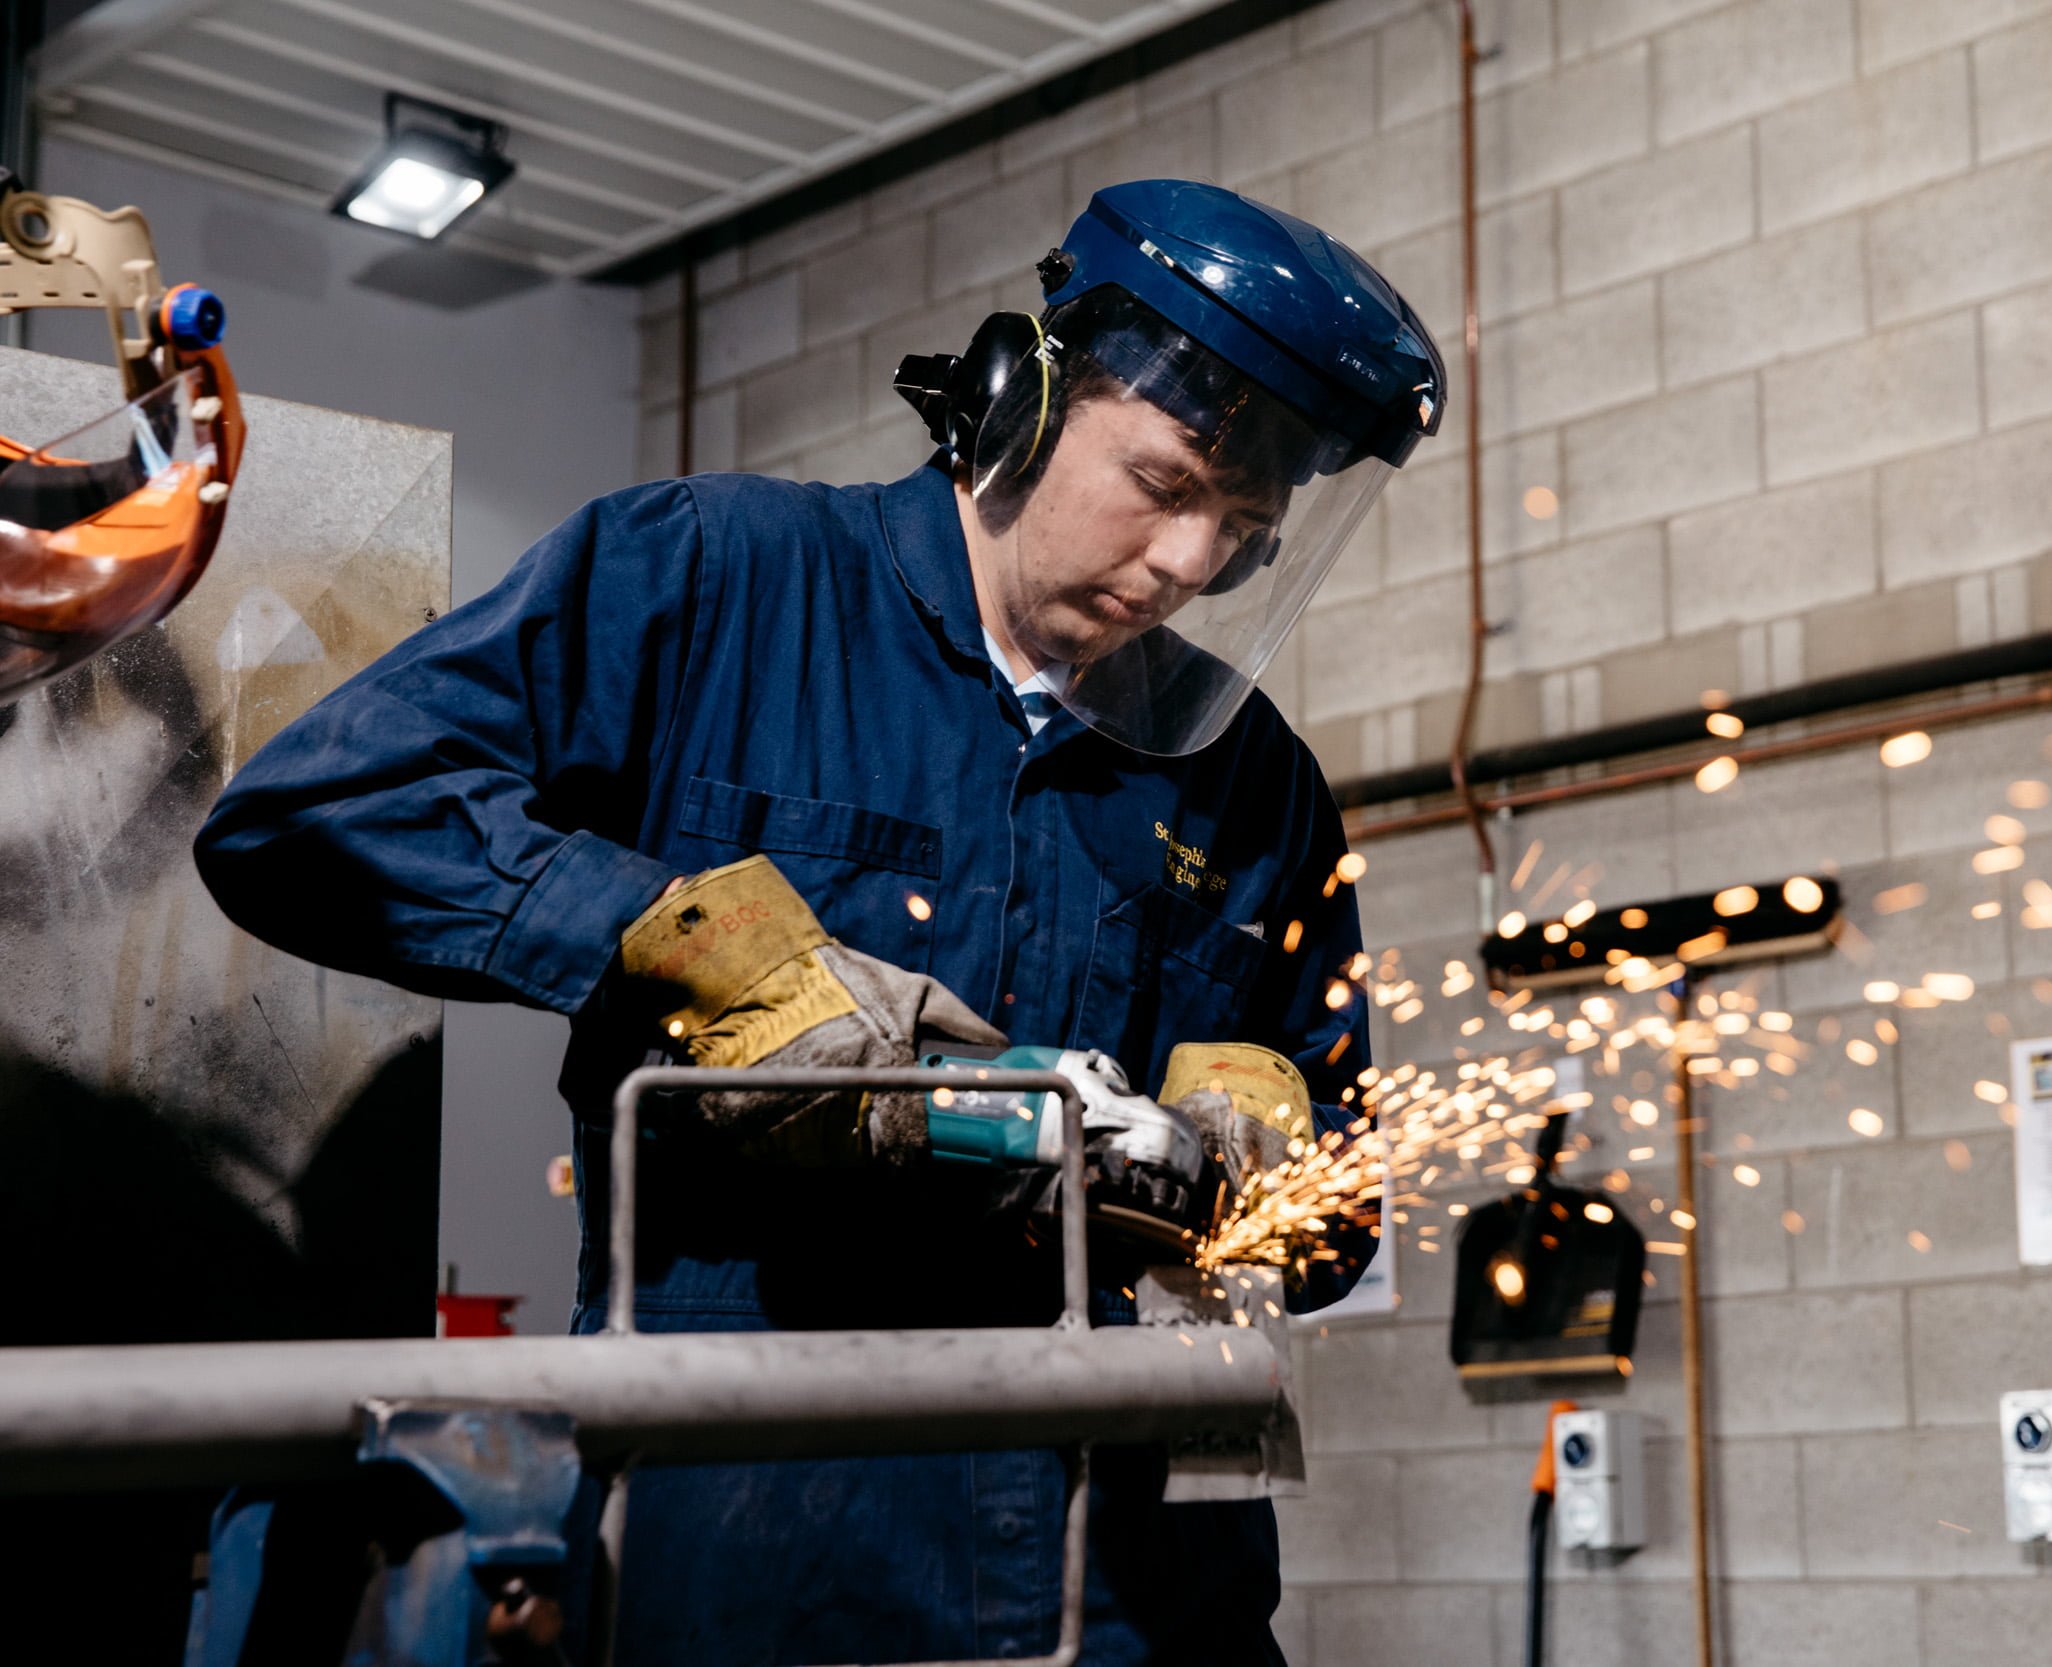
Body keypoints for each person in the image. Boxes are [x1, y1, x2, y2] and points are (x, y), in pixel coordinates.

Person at [192, 178, 1444, 1664]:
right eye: (1167, 485)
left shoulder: (1251, 785)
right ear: (1021, 400)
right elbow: (312, 813)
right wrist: (674, 943)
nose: (1191, 564)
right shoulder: (710, 580)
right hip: (750, 1532)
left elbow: (1344, 1193)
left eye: (1244, 527)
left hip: (1129, 1577)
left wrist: (1259, 1163)